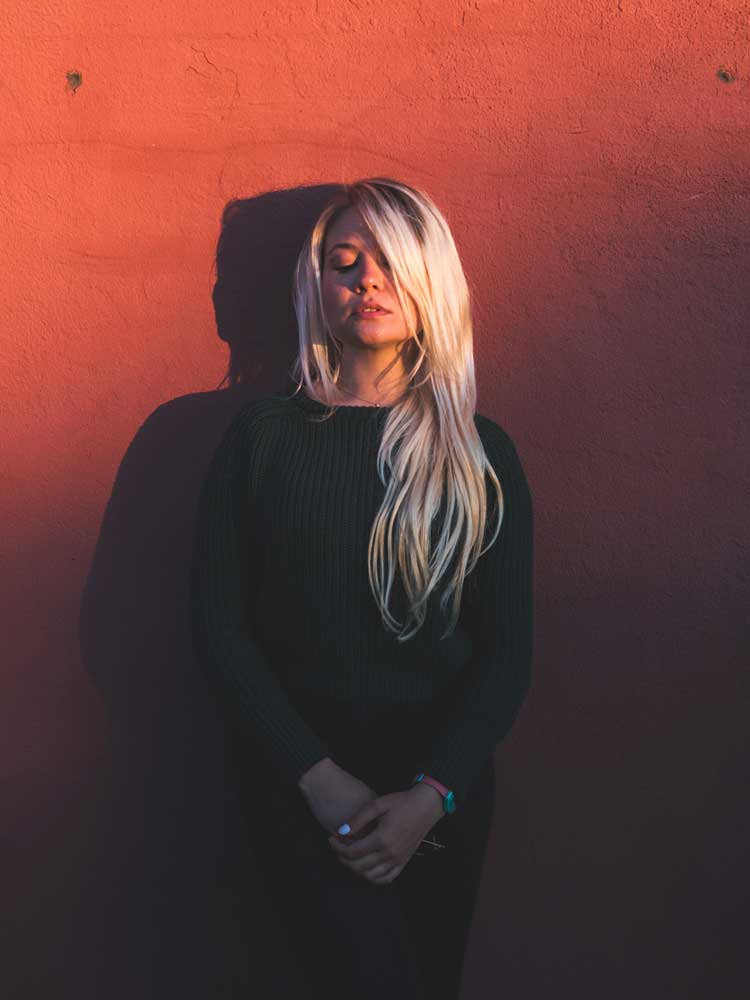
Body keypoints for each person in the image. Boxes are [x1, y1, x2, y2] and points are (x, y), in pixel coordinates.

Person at [189, 177, 534, 999]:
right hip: (299, 792)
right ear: (316, 287)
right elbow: (219, 627)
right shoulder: (262, 437)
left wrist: (431, 795)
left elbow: (506, 655)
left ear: (428, 278)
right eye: (344, 261)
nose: (366, 279)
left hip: (437, 802)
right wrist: (317, 778)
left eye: (387, 260)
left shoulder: (480, 454)